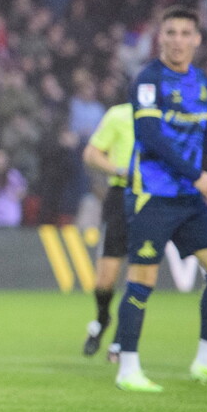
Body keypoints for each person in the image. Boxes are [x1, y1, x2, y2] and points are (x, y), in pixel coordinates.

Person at [112, 6, 207, 393]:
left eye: (185, 33)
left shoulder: (200, 81)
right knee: (142, 281)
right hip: (152, 196)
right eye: (170, 32)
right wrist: (198, 175)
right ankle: (128, 369)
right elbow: (151, 137)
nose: (177, 40)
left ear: (197, 39)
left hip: (188, 200)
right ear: (161, 38)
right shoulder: (148, 80)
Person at [80, 102, 133, 362]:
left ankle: (122, 339)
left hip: (154, 199)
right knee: (105, 281)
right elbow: (91, 154)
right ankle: (102, 318)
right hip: (121, 196)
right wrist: (120, 170)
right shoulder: (119, 115)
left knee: (141, 276)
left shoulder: (168, 116)